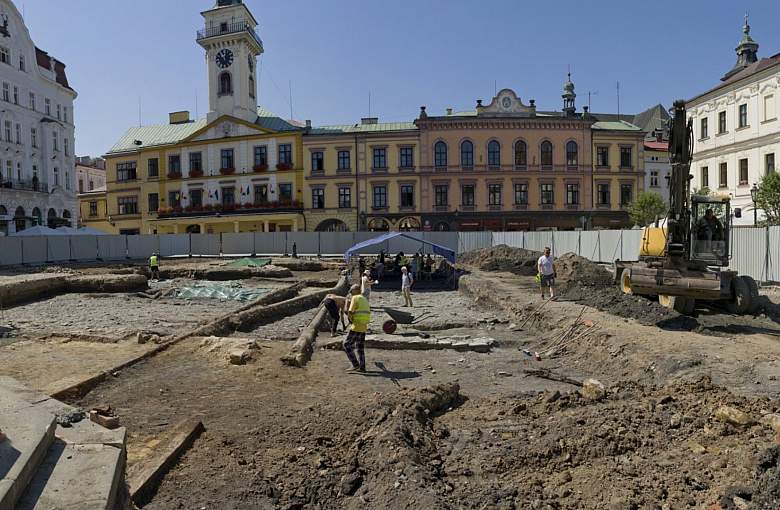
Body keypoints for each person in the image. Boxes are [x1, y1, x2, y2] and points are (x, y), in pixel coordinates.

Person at [344, 284, 370, 373]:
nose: (351, 292)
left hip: (357, 325)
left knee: (346, 344)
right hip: (363, 326)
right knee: (360, 347)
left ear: (355, 290)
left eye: (351, 290)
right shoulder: (364, 299)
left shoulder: (355, 298)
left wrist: (350, 319)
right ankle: (362, 367)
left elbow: (350, 311)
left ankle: (355, 365)